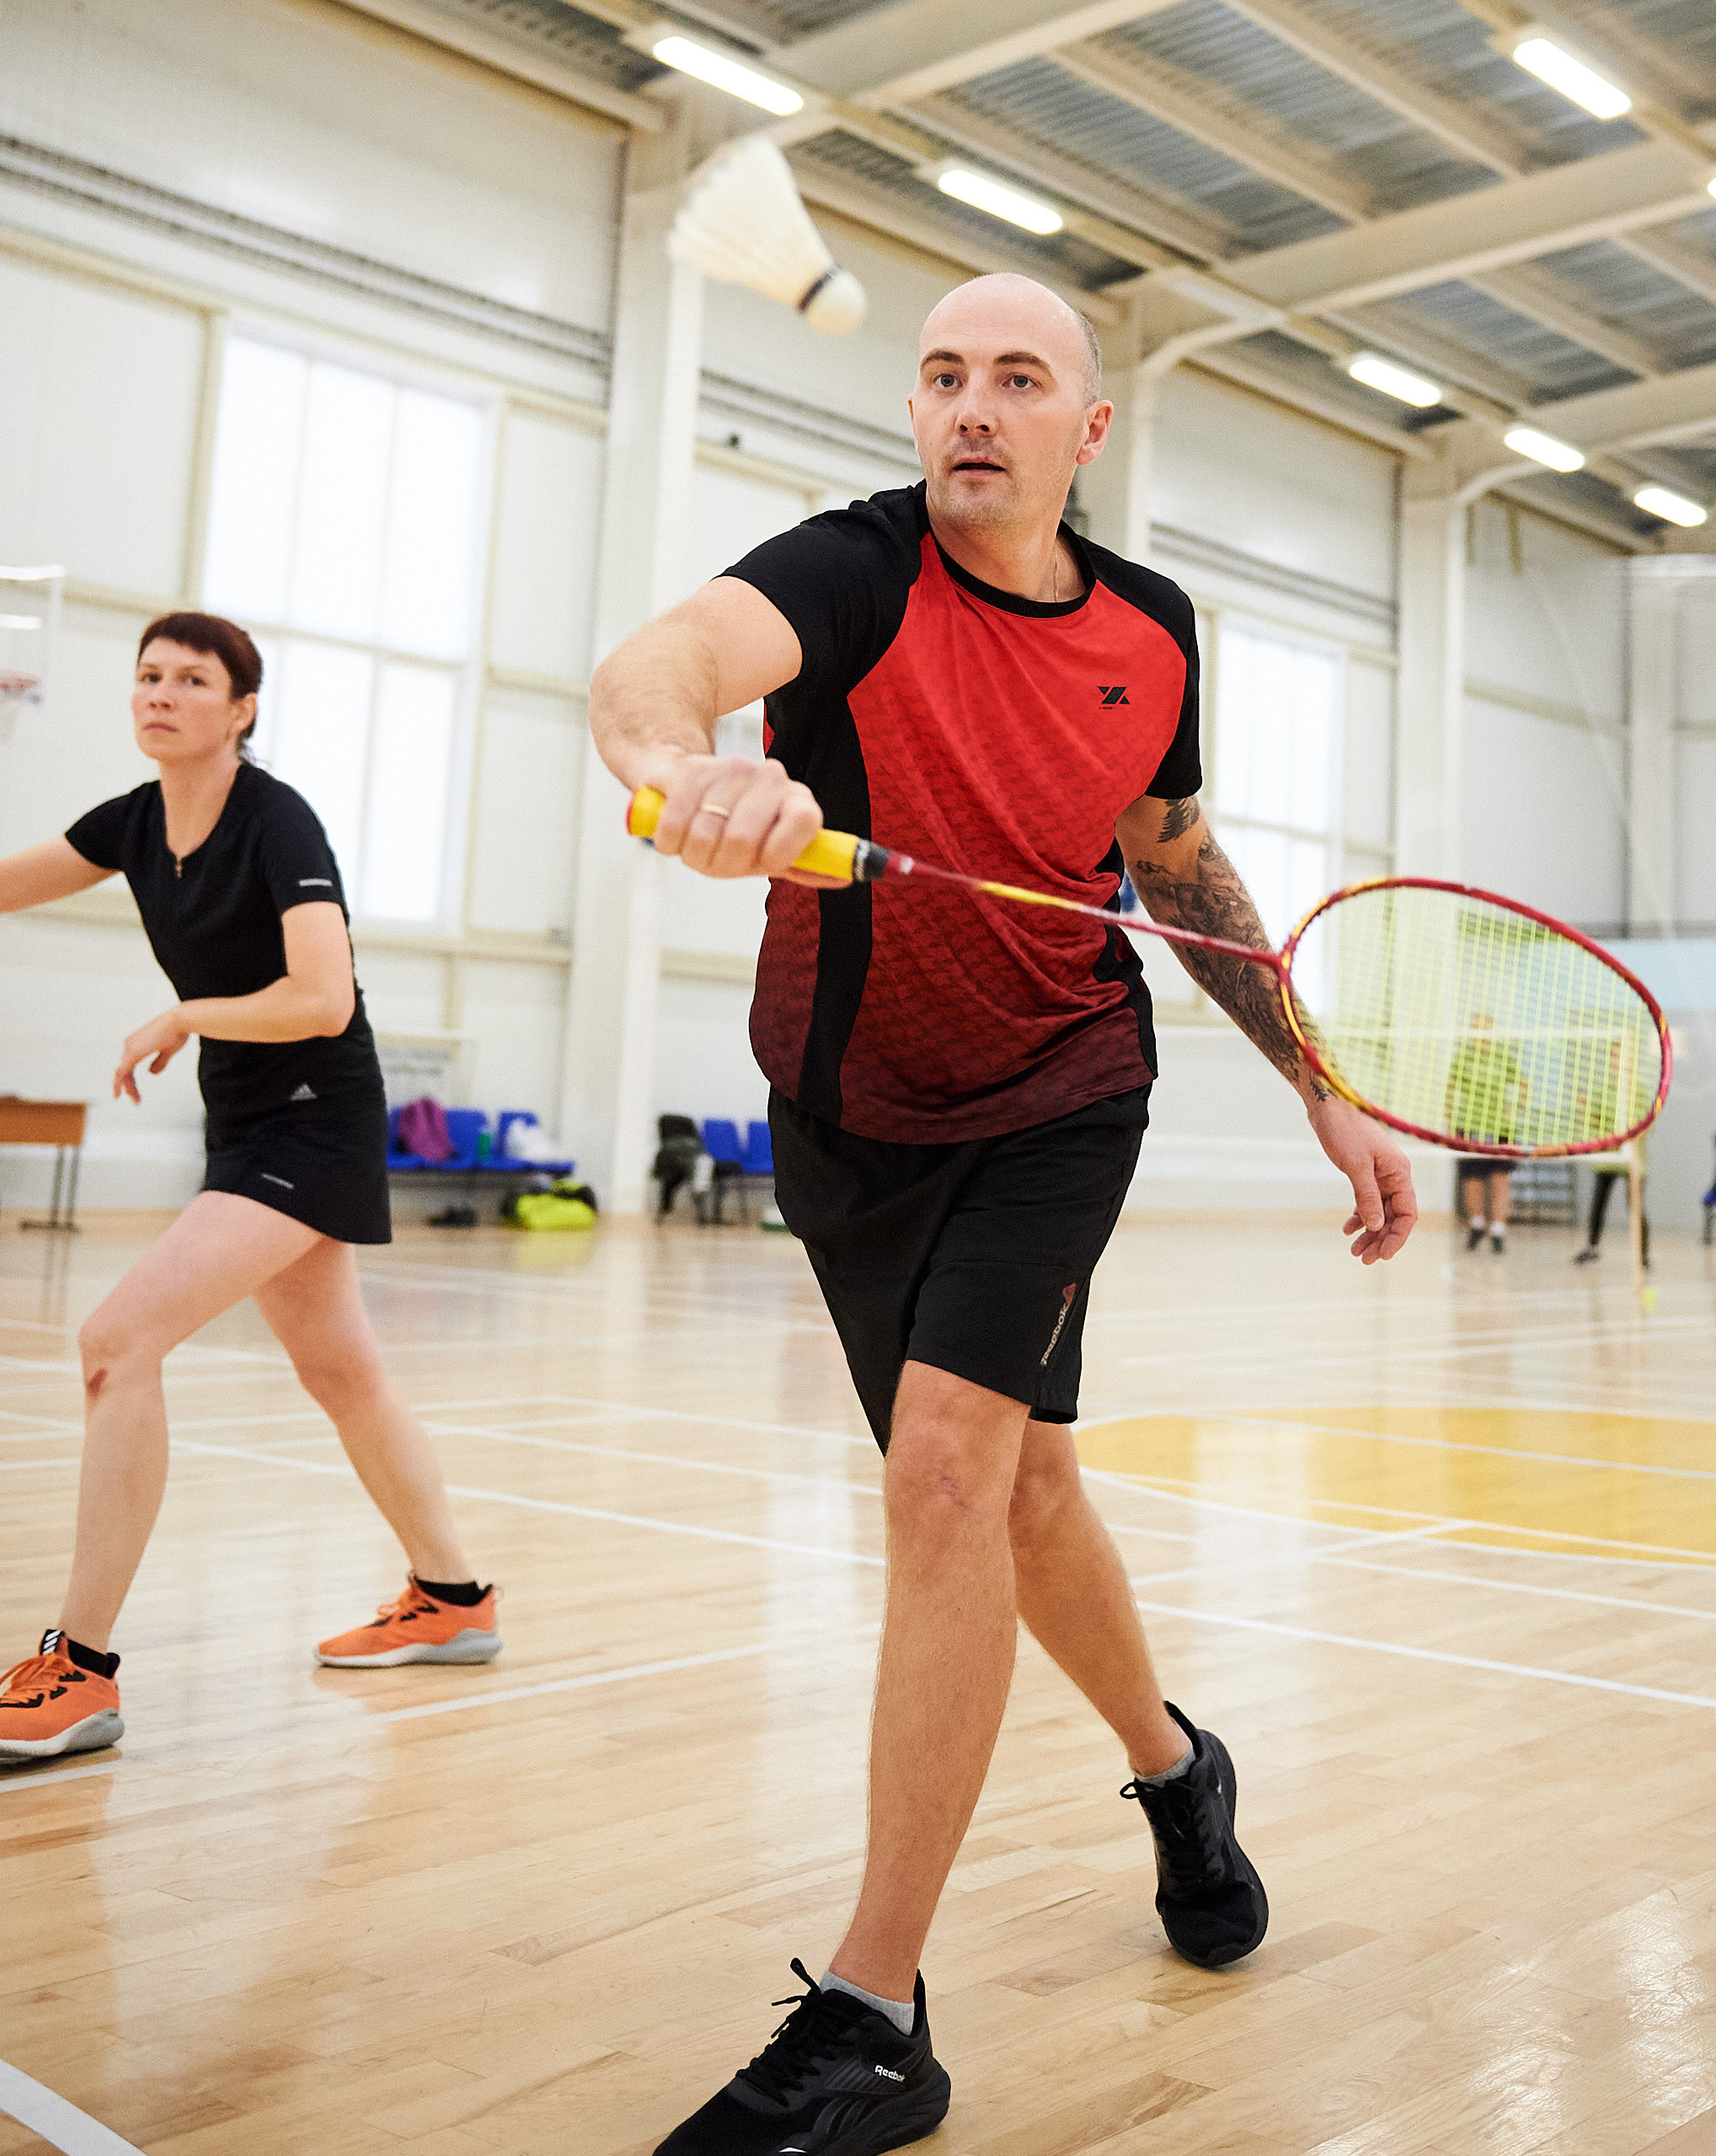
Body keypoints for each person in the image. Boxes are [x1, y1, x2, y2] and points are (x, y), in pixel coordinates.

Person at [589, 273, 1418, 2155]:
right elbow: (648, 675)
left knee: (946, 1477)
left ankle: (874, 2014)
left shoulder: (1151, 631)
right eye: (943, 375)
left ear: (1085, 431)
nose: (972, 405)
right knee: (1024, 1489)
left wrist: (1316, 1082)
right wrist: (680, 769)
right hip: (843, 1106)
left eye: (1017, 378)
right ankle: (1175, 1765)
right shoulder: (847, 573)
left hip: (1058, 1090)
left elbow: (1177, 868)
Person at [0, 614, 498, 1767]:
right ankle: (454, 1595)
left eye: (192, 680)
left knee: (118, 1340)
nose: (162, 694)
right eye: (148, 676)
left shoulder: (277, 820)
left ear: (242, 711)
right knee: (342, 1369)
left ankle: (80, 1671)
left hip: (316, 1116)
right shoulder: (130, 825)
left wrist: (186, 1011)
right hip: (248, 1123)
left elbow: (322, 997)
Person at [1446, 1013, 1526, 1252]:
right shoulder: (1463, 1057)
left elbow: (1523, 1085)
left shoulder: (1503, 1056)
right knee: (1472, 1177)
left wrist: (1515, 1108)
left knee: (1500, 1176)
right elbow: (1451, 1090)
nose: (1480, 1034)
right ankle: (1477, 1225)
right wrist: (1451, 1124)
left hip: (1500, 1127)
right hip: (1470, 1125)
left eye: (1485, 1029)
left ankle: (1498, 1229)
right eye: (1476, 1029)